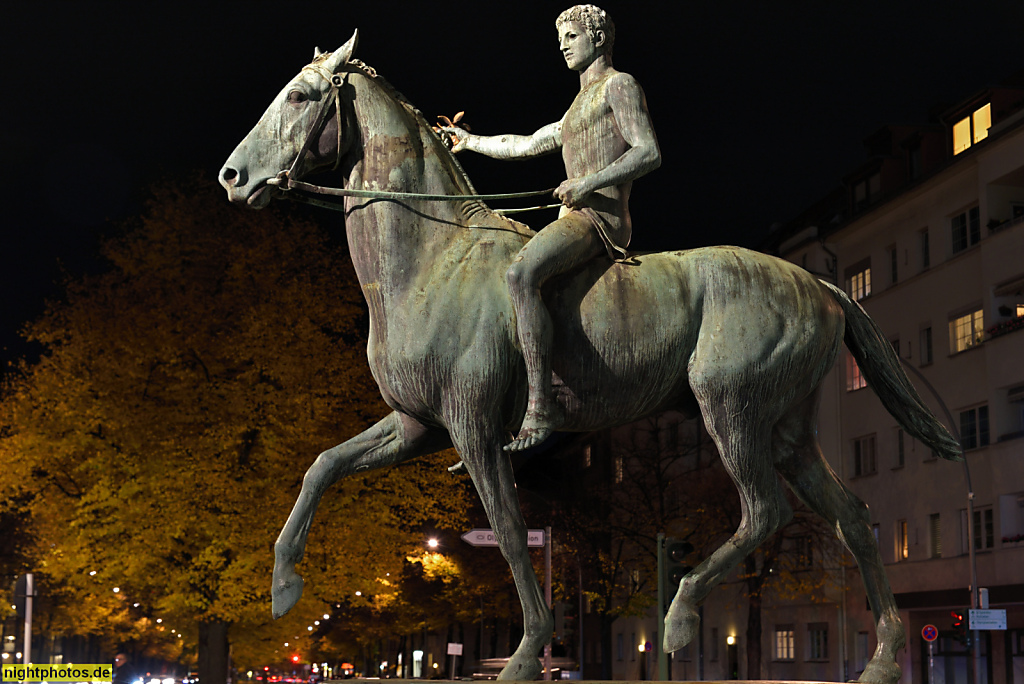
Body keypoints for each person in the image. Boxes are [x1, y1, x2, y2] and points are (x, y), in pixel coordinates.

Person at [443, 4, 661, 451]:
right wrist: (470, 142)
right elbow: (524, 144)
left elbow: (649, 152)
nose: (562, 45)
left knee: (520, 273)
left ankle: (541, 406)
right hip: (575, 217)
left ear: (598, 38)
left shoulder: (619, 86)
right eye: (559, 37)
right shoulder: (577, 107)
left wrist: (589, 182)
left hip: (600, 221)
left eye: (571, 35)